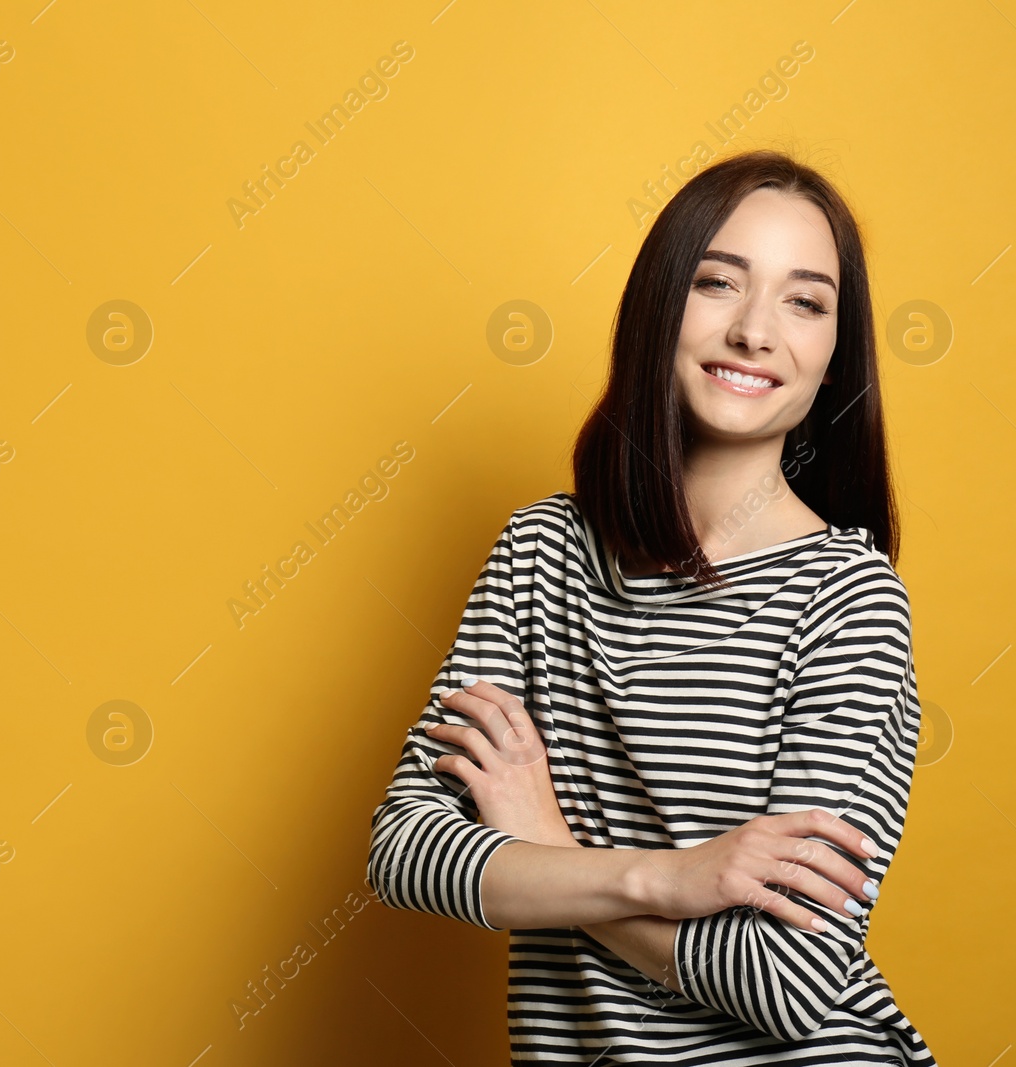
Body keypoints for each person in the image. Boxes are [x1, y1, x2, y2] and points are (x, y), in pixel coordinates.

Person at [365, 149, 938, 1064]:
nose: (756, 331)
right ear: (656, 307)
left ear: (834, 358)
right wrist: (666, 877)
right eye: (719, 282)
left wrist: (543, 844)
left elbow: (786, 983)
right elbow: (405, 850)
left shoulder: (848, 601)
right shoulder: (541, 554)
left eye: (805, 300)